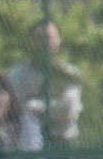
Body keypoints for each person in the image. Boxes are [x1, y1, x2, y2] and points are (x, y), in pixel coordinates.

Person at [6, 18, 83, 152]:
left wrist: (32, 105)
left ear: (58, 40)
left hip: (62, 143)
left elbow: (68, 110)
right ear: (32, 41)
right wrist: (53, 107)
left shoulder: (70, 73)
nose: (45, 43)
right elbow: (16, 111)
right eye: (40, 38)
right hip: (26, 142)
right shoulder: (16, 75)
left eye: (49, 38)